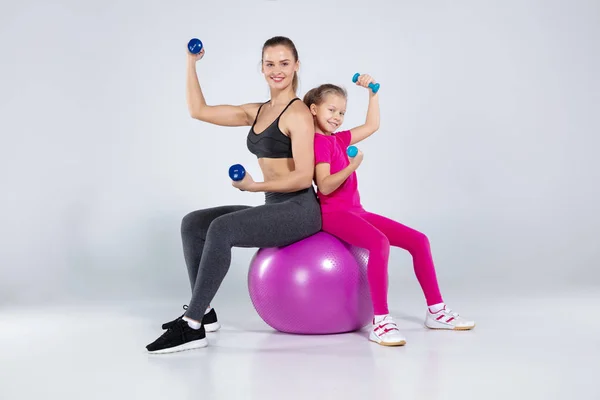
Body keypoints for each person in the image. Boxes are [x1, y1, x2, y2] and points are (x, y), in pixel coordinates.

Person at [146, 36, 322, 354]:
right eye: (270, 64)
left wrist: (255, 187)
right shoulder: (257, 111)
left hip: (300, 210)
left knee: (222, 229)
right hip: (275, 205)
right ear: (262, 68)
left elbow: (302, 176)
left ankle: (192, 325)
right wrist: (191, 63)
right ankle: (206, 311)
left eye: (284, 63)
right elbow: (199, 110)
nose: (277, 70)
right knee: (194, 223)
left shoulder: (298, 115)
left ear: (296, 66)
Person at [303, 75, 475, 347]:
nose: (337, 117)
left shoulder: (337, 139)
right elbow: (324, 186)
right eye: (331, 110)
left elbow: (372, 125)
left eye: (342, 112)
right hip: (332, 215)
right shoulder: (318, 142)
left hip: (356, 211)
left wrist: (373, 93)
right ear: (314, 109)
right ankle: (380, 321)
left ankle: (436, 311)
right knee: (379, 242)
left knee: (419, 241)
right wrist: (352, 164)